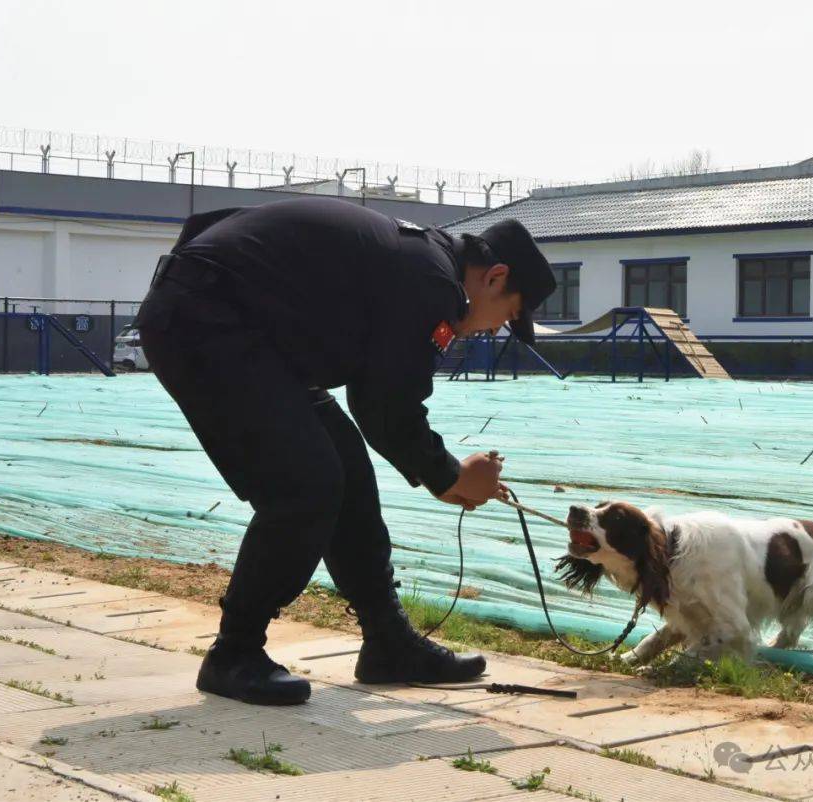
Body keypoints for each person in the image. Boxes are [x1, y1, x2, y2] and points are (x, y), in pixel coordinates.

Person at [133, 197, 555, 705]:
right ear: (495, 276)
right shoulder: (430, 280)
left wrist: (443, 473)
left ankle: (387, 642)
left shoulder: (419, 262)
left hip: (243, 329)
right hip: (208, 324)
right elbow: (386, 408)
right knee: (305, 483)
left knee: (347, 469)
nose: (491, 331)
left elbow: (375, 398)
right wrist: (450, 476)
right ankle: (234, 653)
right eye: (505, 316)